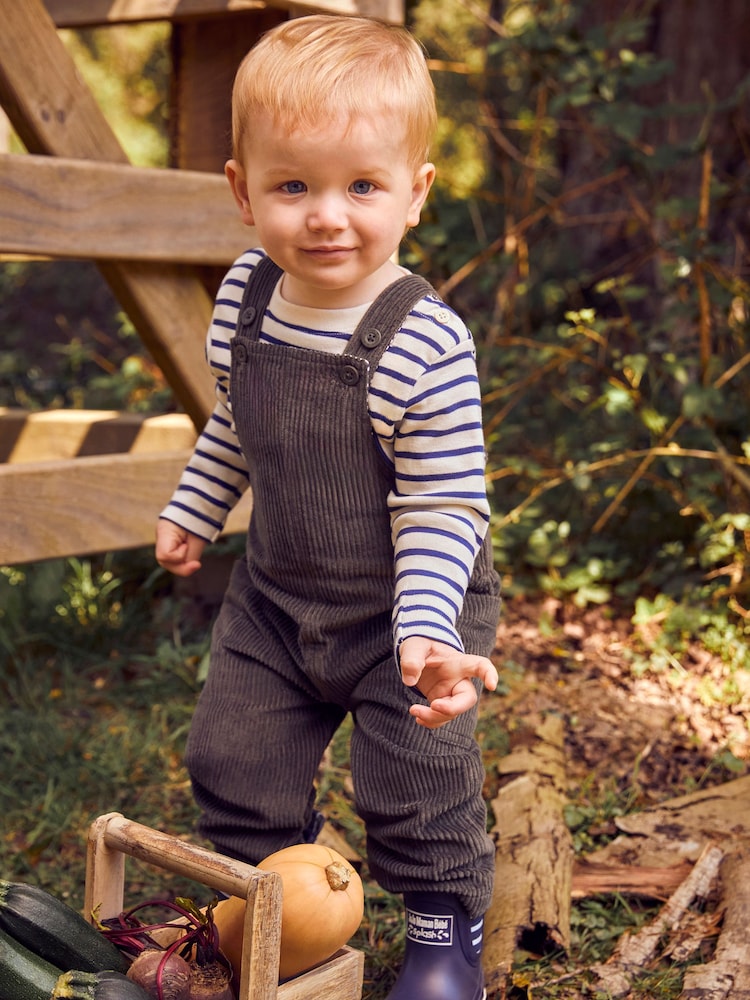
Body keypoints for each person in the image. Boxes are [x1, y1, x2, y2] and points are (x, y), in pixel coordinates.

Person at [155, 13, 501, 1000]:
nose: (326, 216)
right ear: (242, 189)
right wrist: (196, 505)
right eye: (293, 186)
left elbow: (443, 506)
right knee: (235, 755)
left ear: (416, 193)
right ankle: (290, 898)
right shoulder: (244, 300)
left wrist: (426, 632)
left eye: (362, 185)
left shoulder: (424, 344)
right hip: (277, 595)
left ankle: (442, 940)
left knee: (415, 785)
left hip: (410, 610)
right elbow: (237, 424)